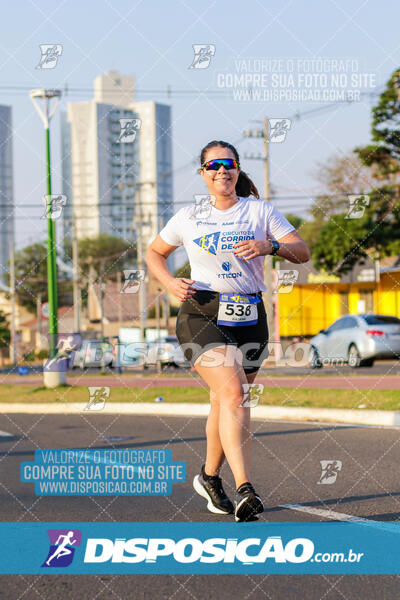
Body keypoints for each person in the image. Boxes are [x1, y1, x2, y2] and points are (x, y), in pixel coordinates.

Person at [145, 140, 310, 521]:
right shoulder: (189, 216)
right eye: (214, 165)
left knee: (226, 401)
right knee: (234, 393)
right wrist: (170, 284)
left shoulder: (259, 211)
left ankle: (207, 476)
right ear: (202, 173)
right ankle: (245, 489)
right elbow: (155, 253)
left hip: (251, 317)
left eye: (229, 164)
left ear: (237, 169)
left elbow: (301, 251)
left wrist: (269, 246)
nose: (222, 170)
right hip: (201, 314)